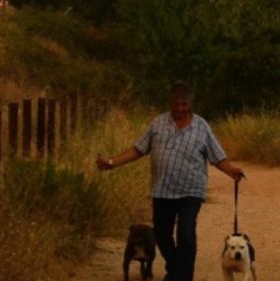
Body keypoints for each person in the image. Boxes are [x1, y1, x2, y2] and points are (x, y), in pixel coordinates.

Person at [96, 82, 244, 281]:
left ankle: (182, 278)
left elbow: (217, 156)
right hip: (162, 190)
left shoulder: (202, 127)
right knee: (162, 236)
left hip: (191, 191)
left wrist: (231, 170)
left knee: (186, 235)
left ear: (190, 104)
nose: (180, 109)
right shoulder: (158, 123)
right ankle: (174, 269)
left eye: (184, 105)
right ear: (170, 102)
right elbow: (138, 149)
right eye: (177, 104)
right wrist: (112, 163)